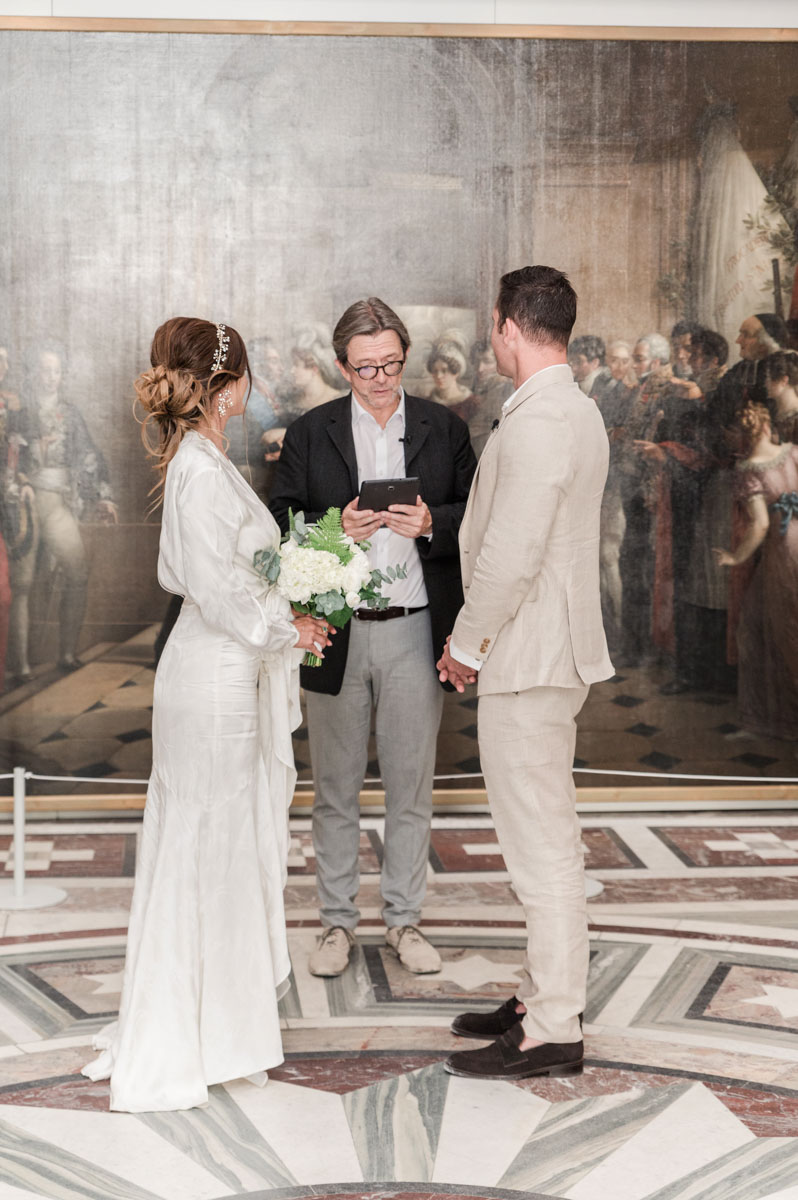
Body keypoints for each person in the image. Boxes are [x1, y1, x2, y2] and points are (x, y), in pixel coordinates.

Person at [82, 317, 330, 1112]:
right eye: (247, 376)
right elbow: (220, 593)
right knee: (206, 837)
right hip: (212, 679)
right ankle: (184, 1034)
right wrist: (289, 625)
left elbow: (239, 575)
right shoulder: (194, 469)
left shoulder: (205, 462)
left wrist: (292, 598)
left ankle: (221, 1029)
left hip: (229, 669)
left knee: (221, 840)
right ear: (231, 387)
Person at [438, 266, 613, 1081]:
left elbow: (512, 554)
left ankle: (551, 1028)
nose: (491, 338)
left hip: (528, 653)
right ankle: (541, 996)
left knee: (541, 848)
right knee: (548, 837)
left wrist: (466, 644)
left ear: (508, 324)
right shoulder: (570, 408)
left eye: (492, 325)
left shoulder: (545, 418)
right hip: (544, 650)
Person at [269, 297, 476, 978]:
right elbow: (279, 526)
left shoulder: (444, 430)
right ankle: (335, 924)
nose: (380, 379)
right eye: (365, 369)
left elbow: (476, 516)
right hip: (337, 629)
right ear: (340, 366)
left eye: (390, 364)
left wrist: (431, 525)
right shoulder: (310, 432)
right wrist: (337, 528)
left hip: (417, 629)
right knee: (334, 787)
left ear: (405, 357)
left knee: (411, 787)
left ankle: (404, 921)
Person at [7, 346, 116, 680]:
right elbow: (8, 459)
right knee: (21, 583)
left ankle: (66, 653)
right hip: (22, 504)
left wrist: (103, 496)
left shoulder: (70, 414)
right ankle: (21, 665)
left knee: (77, 572)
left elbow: (89, 456)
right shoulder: (18, 413)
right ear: (33, 373)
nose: (50, 377)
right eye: (44, 370)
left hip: (56, 505)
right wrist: (19, 478)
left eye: (55, 371)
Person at [714, 402, 798, 740]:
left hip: (783, 550)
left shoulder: (749, 468)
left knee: (778, 634)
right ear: (766, 427)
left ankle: (778, 723)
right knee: (767, 628)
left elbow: (760, 525)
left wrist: (736, 558)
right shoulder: (794, 451)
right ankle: (771, 720)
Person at [763, 350, 798, 444]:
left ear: (784, 381)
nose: (765, 384)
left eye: (768, 378)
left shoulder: (795, 420)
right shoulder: (772, 411)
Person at [567, 334, 610, 398]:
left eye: (578, 361)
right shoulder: (575, 382)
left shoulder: (607, 387)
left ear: (595, 363)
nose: (574, 368)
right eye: (572, 361)